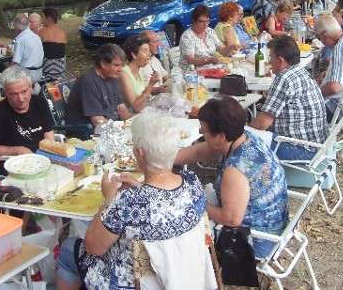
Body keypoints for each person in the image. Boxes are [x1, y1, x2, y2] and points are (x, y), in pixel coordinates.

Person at [56, 112, 206, 290]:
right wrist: (139, 189)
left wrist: (109, 199)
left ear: (139, 153)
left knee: (68, 247)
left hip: (138, 283)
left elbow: (93, 247)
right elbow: (162, 207)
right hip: (185, 275)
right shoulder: (192, 182)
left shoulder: (128, 203)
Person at [174, 97, 288, 258]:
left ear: (220, 136)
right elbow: (197, 152)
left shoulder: (235, 170)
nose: (200, 133)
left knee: (181, 215)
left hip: (257, 241)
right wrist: (160, 159)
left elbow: (231, 220)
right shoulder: (245, 137)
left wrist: (197, 203)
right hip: (273, 225)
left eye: (204, 130)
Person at [249, 36, 327, 160]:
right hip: (316, 146)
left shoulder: (284, 78)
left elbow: (262, 123)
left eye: (271, 57)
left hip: (298, 149)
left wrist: (244, 131)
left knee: (244, 136)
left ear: (280, 60)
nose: (269, 62)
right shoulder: (302, 72)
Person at [0, 66, 55, 160]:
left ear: (31, 88)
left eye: (24, 91)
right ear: (5, 93)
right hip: (16, 162)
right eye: (14, 94)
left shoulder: (40, 102)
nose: (21, 99)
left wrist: (49, 155)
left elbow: (48, 132)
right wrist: (17, 150)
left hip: (42, 157)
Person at [66, 44, 132, 126]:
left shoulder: (112, 77)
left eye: (121, 65)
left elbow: (121, 108)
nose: (120, 69)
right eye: (116, 65)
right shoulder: (89, 81)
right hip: (87, 132)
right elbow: (97, 121)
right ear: (103, 64)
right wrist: (121, 127)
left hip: (110, 127)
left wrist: (132, 124)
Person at [118, 35, 159, 113]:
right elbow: (135, 107)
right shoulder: (124, 74)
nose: (149, 54)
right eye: (145, 51)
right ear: (133, 54)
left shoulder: (139, 70)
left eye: (149, 50)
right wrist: (150, 85)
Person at [11, 13, 44, 83]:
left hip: (27, 76)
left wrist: (5, 71)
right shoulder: (37, 37)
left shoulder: (20, 40)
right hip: (38, 73)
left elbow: (15, 63)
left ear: (16, 25)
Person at [39, 7, 68, 82]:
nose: (41, 20)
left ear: (48, 18)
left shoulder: (42, 32)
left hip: (46, 73)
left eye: (42, 17)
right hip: (60, 73)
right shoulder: (62, 32)